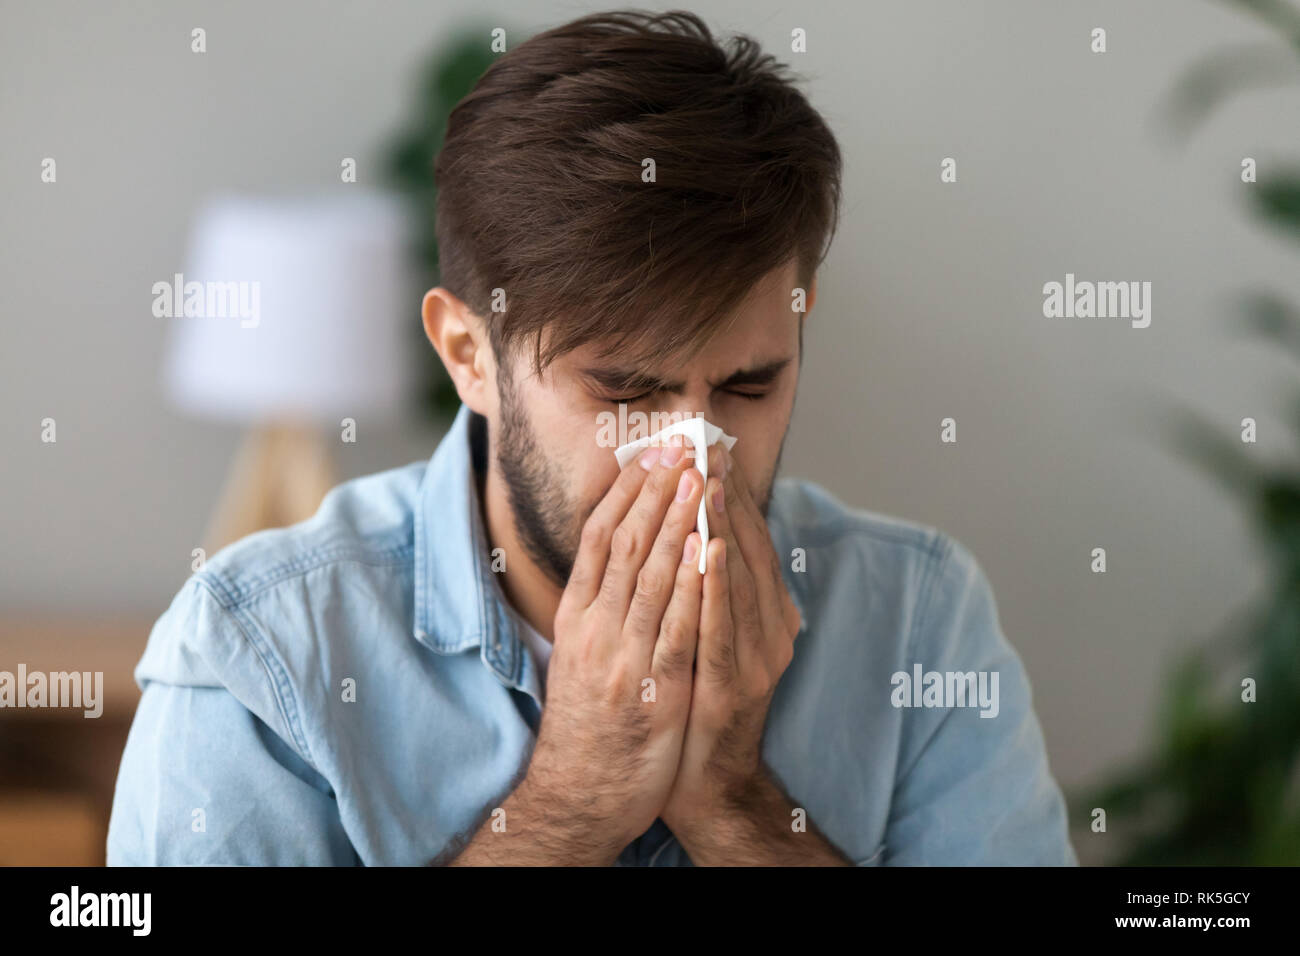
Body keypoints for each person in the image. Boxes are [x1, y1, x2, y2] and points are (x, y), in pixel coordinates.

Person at [108, 9, 1075, 866]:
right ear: (468, 355)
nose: (691, 454)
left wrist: (733, 808)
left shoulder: (919, 620)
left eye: (749, 383)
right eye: (623, 389)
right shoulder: (261, 658)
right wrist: (568, 807)